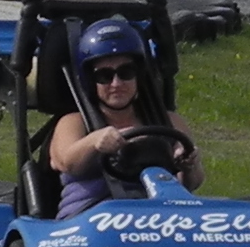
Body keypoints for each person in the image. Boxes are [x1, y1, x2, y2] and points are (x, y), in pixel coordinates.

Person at [46, 16, 200, 214]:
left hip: (155, 218)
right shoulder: (73, 122)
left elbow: (193, 184)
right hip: (89, 219)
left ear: (139, 75)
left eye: (126, 72)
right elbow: (66, 162)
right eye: (105, 76)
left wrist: (189, 165)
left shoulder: (169, 122)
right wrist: (94, 142)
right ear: (91, 81)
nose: (116, 84)